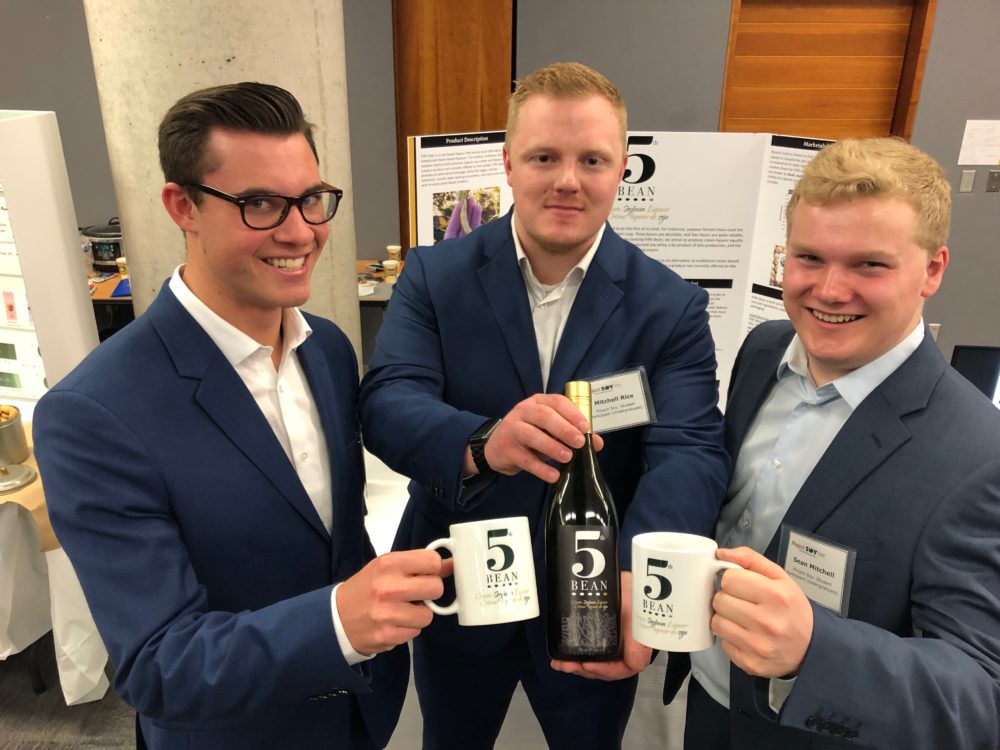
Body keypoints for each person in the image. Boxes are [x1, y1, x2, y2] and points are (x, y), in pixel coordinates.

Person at [33, 83, 446, 750]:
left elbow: (331, 536)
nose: (301, 231)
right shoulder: (93, 415)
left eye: (311, 199)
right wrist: (338, 623)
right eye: (260, 204)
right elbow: (158, 664)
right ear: (183, 206)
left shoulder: (328, 348)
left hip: (362, 714)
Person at [359, 62, 730, 749]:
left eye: (592, 159)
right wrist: (483, 443)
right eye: (543, 157)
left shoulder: (670, 306)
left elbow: (690, 451)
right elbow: (388, 401)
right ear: (507, 162)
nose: (567, 180)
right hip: (460, 582)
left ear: (622, 167)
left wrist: (635, 574)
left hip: (594, 595)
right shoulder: (434, 276)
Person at [668, 137, 1000, 749]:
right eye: (809, 257)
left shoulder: (980, 455)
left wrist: (816, 651)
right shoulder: (764, 350)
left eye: (869, 265)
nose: (828, 290)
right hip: (710, 703)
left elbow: (981, 693)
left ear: (932, 270)